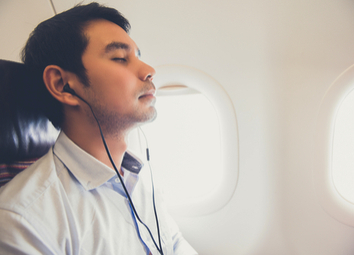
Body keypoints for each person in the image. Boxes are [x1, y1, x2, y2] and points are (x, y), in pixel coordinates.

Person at [0, 3, 198, 255]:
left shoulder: (139, 178)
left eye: (138, 56)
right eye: (119, 58)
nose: (149, 70)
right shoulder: (23, 221)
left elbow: (175, 244)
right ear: (62, 85)